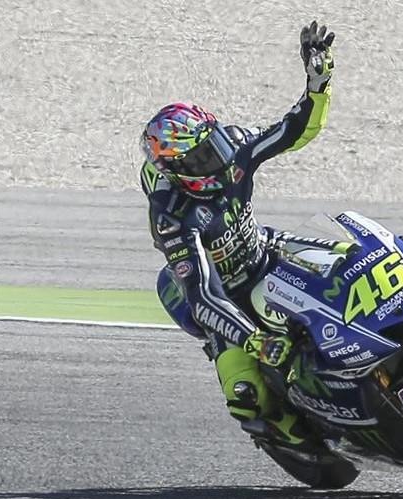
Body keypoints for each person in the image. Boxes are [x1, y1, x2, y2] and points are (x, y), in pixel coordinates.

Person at [139, 22, 335, 447]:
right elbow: (203, 296)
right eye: (202, 158)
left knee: (352, 256)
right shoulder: (173, 216)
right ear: (177, 171)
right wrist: (254, 340)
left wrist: (318, 85)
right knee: (244, 397)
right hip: (229, 296)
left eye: (214, 145)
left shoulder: (235, 147)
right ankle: (291, 436)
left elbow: (294, 130)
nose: (218, 159)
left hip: (266, 251)